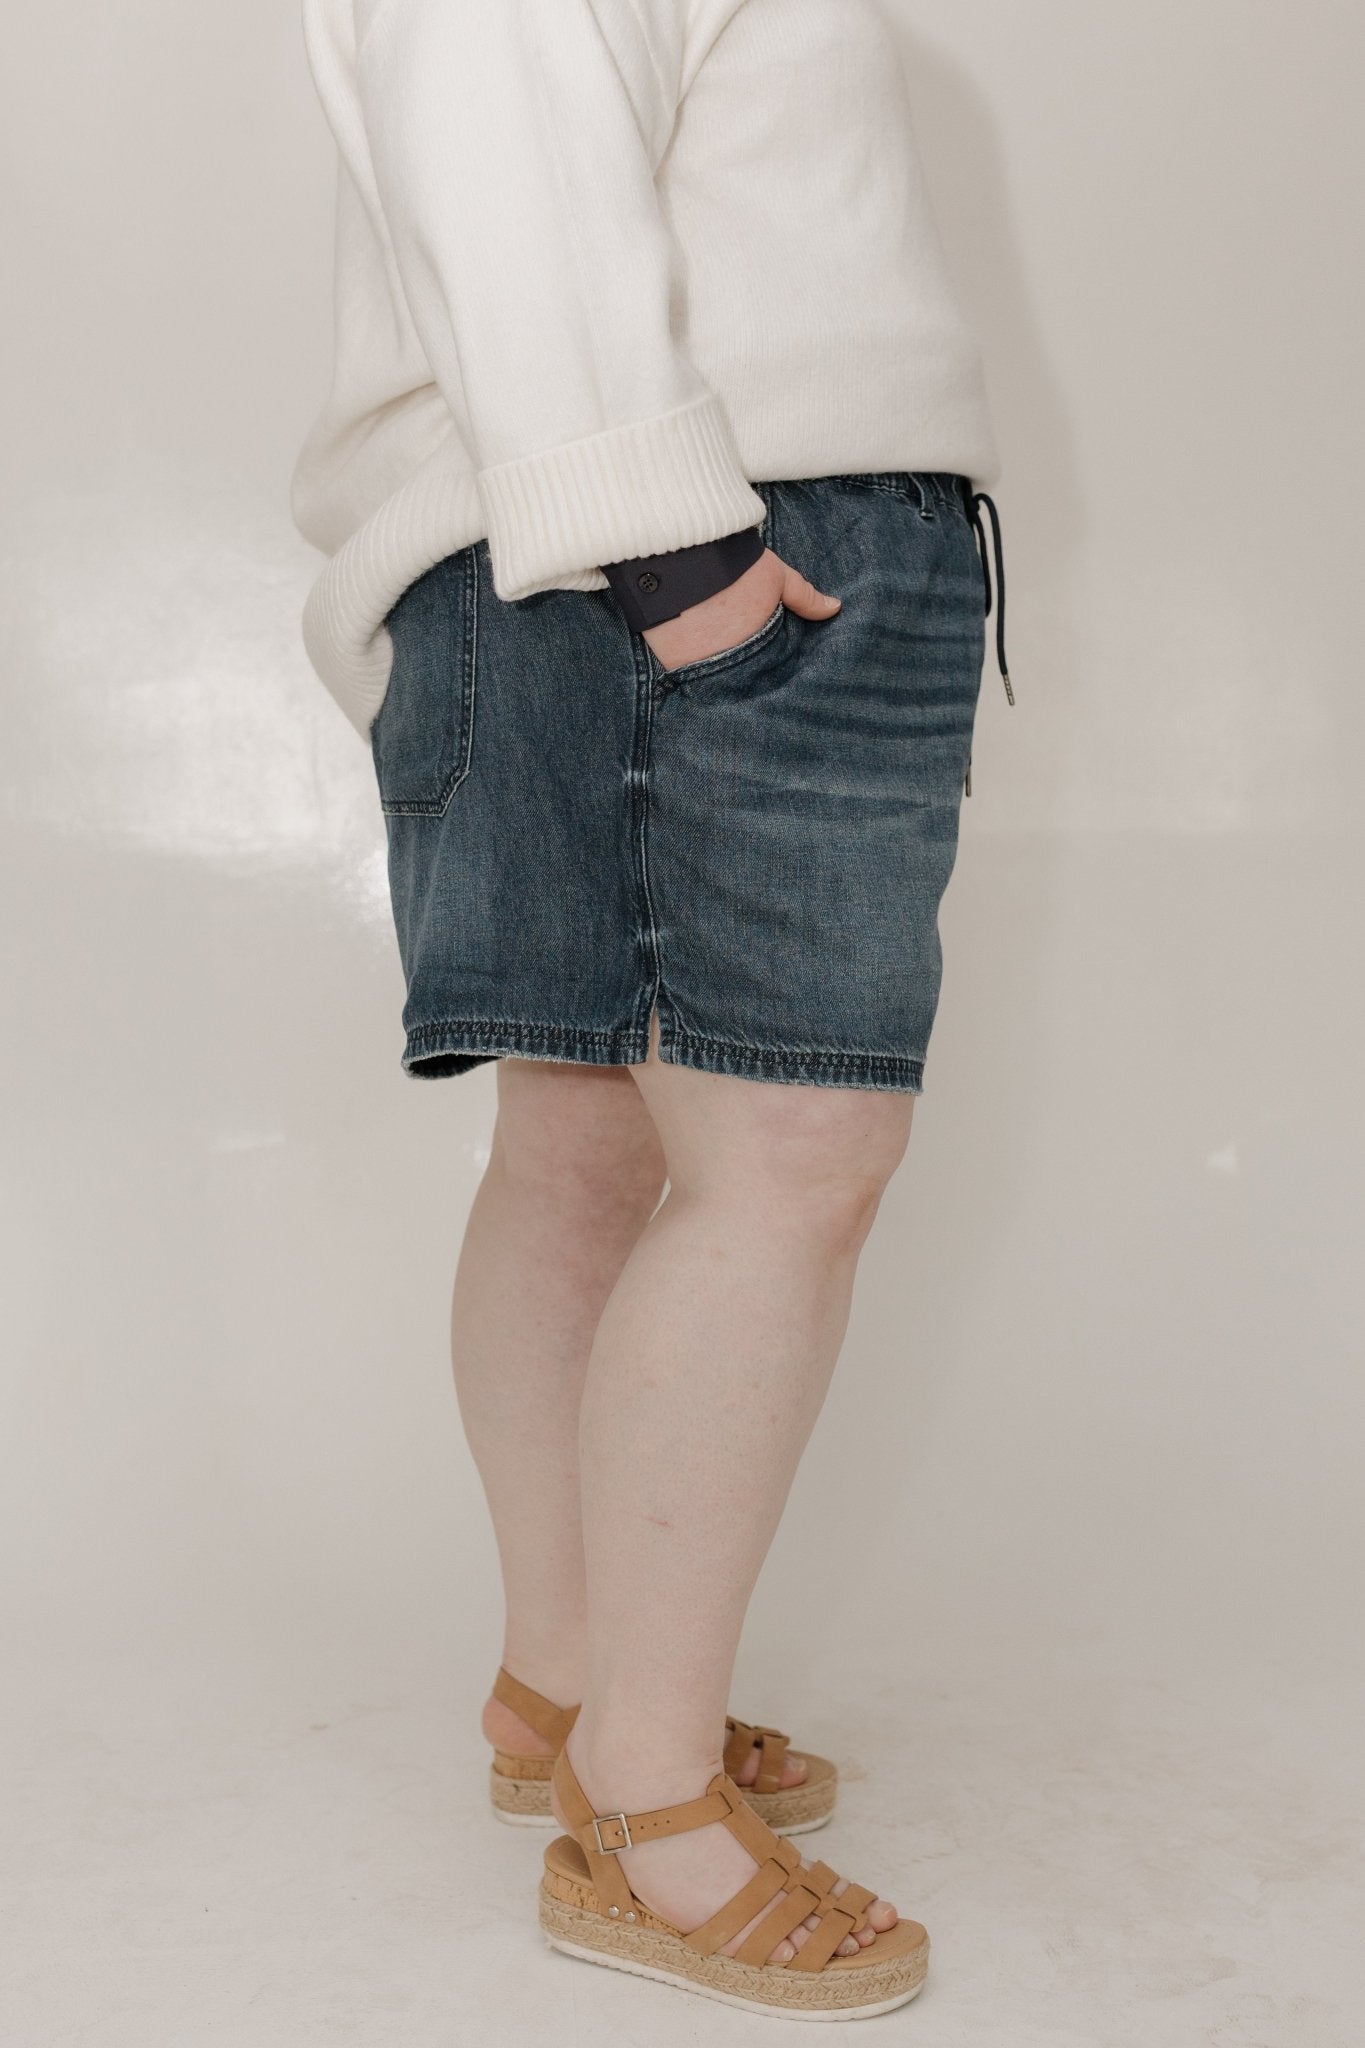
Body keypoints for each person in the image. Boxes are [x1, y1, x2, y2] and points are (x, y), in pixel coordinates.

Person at [290, 0, 1011, 2020]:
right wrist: (672, 543)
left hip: (593, 527)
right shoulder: (672, 525)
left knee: (588, 1139)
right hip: (691, 531)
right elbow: (493, 64)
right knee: (788, 1150)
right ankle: (646, 1798)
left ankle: (574, 1690)